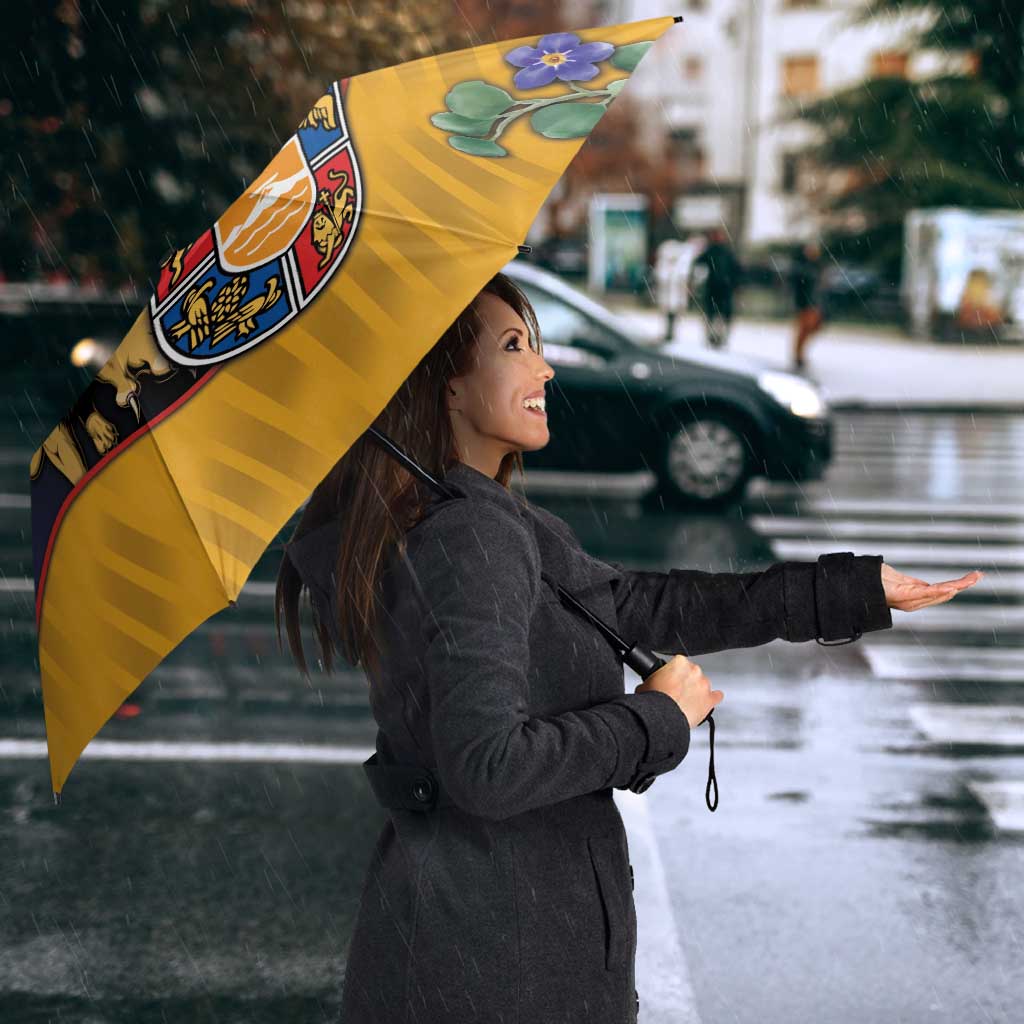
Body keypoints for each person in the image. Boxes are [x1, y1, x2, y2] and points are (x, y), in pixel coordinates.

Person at [275, 271, 972, 1024]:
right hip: (498, 963)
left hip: (481, 942)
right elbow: (488, 767)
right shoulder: (468, 536)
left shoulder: (474, 517)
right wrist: (656, 719)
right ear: (445, 385)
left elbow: (639, 605)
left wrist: (851, 591)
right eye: (515, 346)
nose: (544, 368)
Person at [692, 226, 742, 349]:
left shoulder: (725, 252)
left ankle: (719, 337)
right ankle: (713, 337)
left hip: (723, 288)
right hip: (715, 288)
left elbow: (736, 270)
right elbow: (698, 264)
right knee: (713, 314)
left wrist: (735, 284)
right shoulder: (712, 251)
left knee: (720, 315)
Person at [790, 239, 826, 370]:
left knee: (812, 328)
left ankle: (799, 354)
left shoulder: (817, 266)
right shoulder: (802, 267)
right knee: (804, 329)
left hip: (814, 303)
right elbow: (799, 286)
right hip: (805, 303)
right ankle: (798, 355)